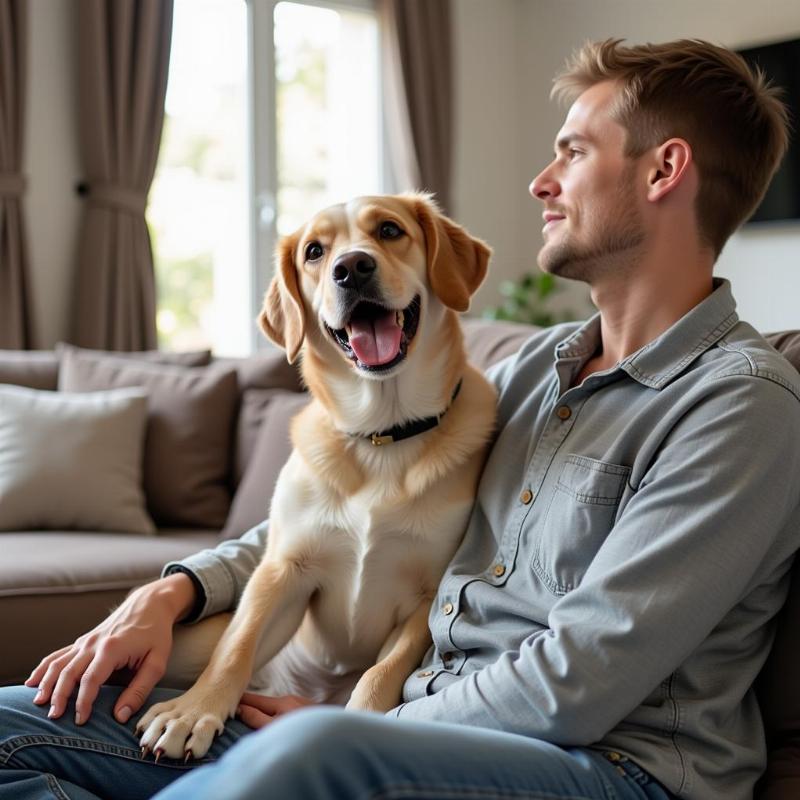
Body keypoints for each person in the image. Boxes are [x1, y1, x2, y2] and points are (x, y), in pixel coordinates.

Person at [2, 37, 799, 800]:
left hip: (605, 765)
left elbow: (578, 682)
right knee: (12, 723)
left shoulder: (736, 406)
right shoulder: (529, 372)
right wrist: (171, 594)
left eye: (574, 151)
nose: (541, 181)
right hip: (394, 724)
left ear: (665, 170)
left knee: (304, 756)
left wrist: (368, 720)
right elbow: (315, 525)